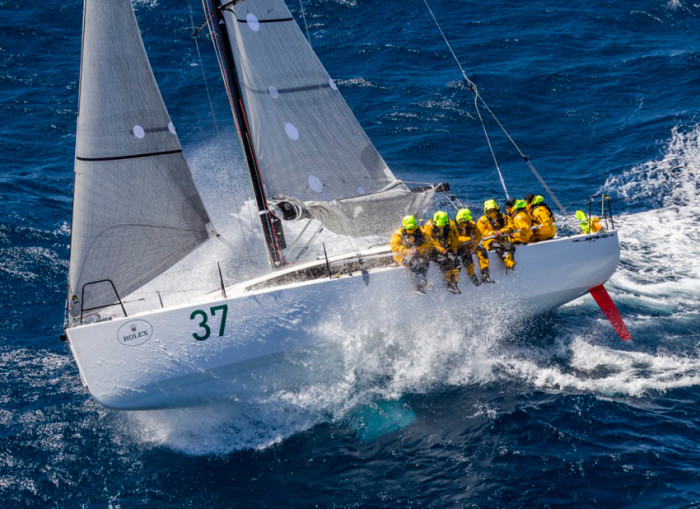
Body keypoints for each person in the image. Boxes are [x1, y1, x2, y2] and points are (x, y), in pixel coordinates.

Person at [390, 215, 435, 293]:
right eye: (409, 228)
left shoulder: (421, 231)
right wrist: (407, 251)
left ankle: (422, 281)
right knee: (414, 263)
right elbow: (394, 246)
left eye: (413, 227)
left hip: (418, 255)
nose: (411, 230)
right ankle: (421, 282)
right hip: (403, 256)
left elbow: (429, 243)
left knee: (424, 262)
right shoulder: (398, 234)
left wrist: (419, 249)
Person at [423, 211, 461, 294]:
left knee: (456, 262)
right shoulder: (428, 226)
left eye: (442, 225)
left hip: (445, 248)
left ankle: (454, 283)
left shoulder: (451, 224)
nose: (441, 227)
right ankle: (449, 282)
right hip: (433, 250)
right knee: (445, 261)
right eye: (439, 225)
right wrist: (441, 249)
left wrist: (454, 250)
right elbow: (430, 241)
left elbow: (455, 237)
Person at [476, 200, 516, 277]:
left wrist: (502, 231)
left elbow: (512, 227)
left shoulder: (504, 217)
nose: (491, 212)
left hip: (503, 239)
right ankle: (510, 264)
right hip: (489, 241)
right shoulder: (481, 220)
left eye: (492, 210)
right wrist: (494, 233)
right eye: (489, 211)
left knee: (510, 247)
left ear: (496, 209)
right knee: (498, 247)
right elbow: (481, 233)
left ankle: (510, 265)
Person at [454, 208, 489, 286]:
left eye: (467, 221)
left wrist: (473, 247)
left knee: (481, 249)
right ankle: (469, 276)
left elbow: (478, 235)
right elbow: (455, 240)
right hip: (456, 247)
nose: (466, 223)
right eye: (465, 221)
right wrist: (469, 239)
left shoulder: (471, 224)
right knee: (464, 254)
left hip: (468, 246)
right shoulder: (452, 226)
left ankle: (485, 274)